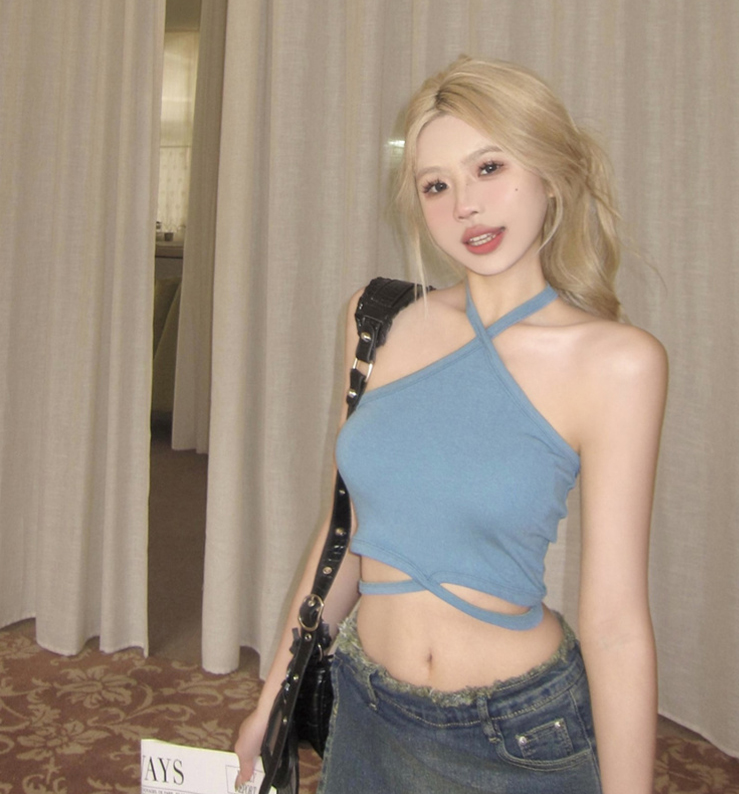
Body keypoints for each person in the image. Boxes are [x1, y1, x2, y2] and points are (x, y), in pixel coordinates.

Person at [235, 55, 667, 794]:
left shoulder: (616, 363)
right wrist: (273, 701)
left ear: (550, 174)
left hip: (515, 736)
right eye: (436, 185)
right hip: (366, 712)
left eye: (489, 167)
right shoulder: (377, 319)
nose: (465, 205)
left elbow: (617, 624)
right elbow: (344, 535)